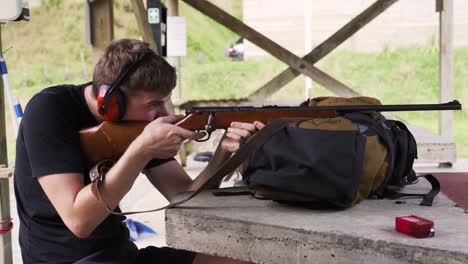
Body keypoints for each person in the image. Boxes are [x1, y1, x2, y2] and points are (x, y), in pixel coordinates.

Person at [14, 38, 265, 264]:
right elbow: (79, 221)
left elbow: (186, 199)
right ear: (111, 103)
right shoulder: (49, 110)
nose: (164, 114)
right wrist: (142, 149)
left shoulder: (137, 128)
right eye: (154, 104)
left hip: (121, 255)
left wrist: (222, 156)